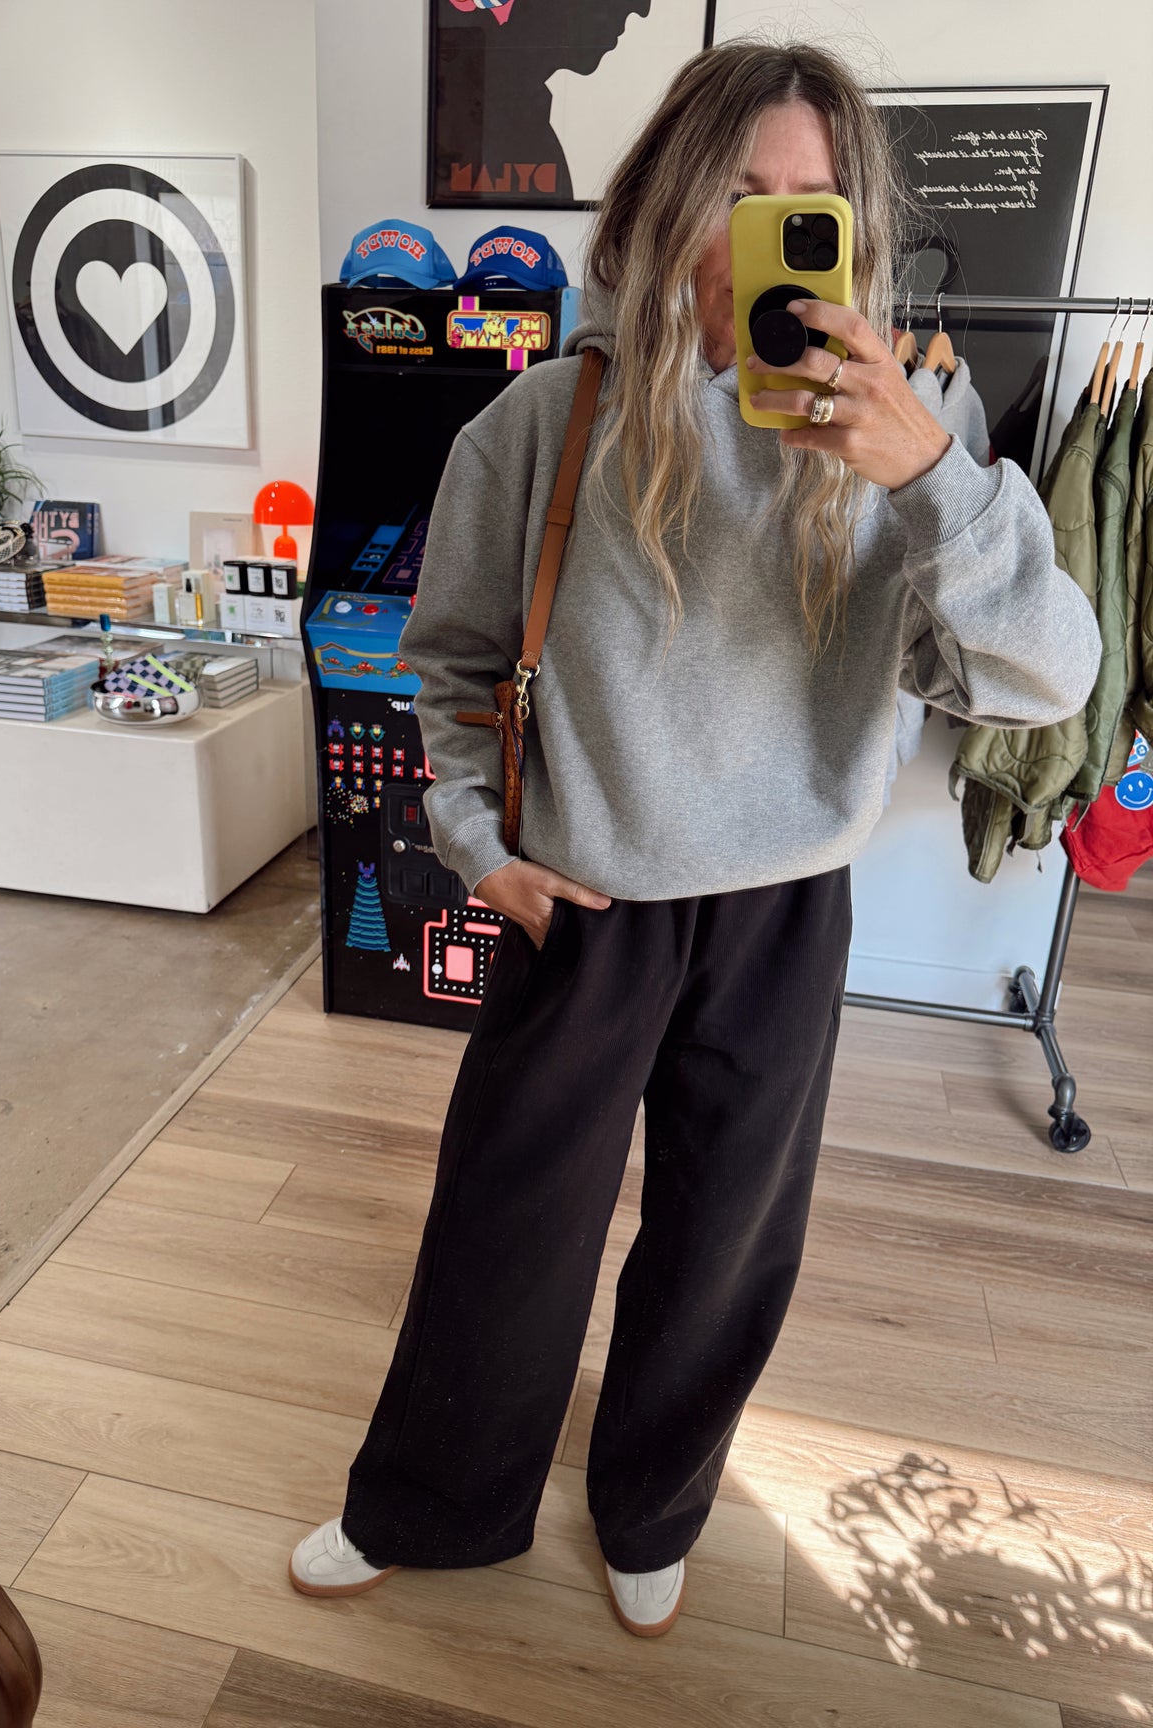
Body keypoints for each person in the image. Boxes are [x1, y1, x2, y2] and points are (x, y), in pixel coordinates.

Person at [290, 38, 1103, 1636]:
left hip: (785, 909)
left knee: (726, 1238)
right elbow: (449, 663)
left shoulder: (914, 424)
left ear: (855, 227)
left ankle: (652, 1503)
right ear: (667, 201)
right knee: (505, 1225)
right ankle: (432, 1500)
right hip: (581, 899)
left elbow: (1051, 676)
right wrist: (476, 845)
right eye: (741, 192)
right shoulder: (546, 417)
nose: (774, 230)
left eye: (814, 199)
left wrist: (929, 476)